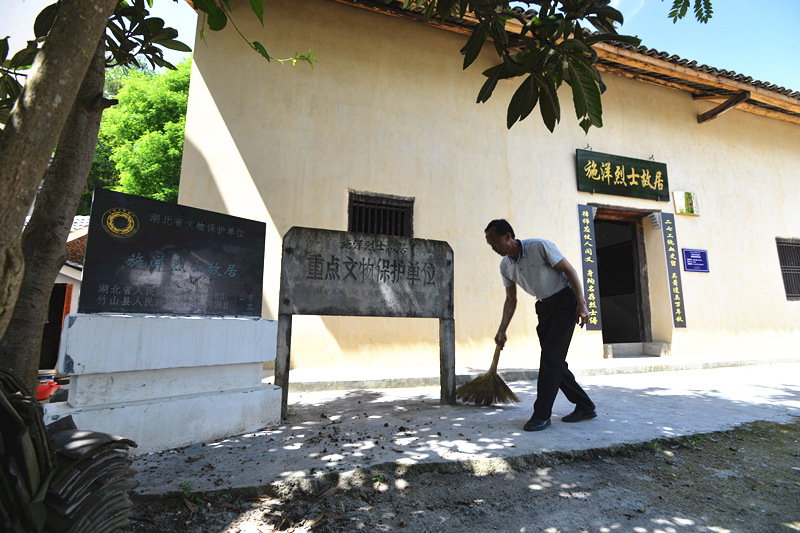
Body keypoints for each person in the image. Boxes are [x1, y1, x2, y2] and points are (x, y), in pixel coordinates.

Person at [484, 219, 596, 432]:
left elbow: (570, 271)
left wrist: (582, 305)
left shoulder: (539, 246)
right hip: (545, 308)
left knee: (550, 359)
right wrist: (502, 329)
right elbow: (511, 300)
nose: (493, 248)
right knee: (555, 362)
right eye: (489, 244)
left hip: (565, 302)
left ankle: (542, 415)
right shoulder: (505, 266)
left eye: (495, 242)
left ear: (508, 236)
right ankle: (585, 405)